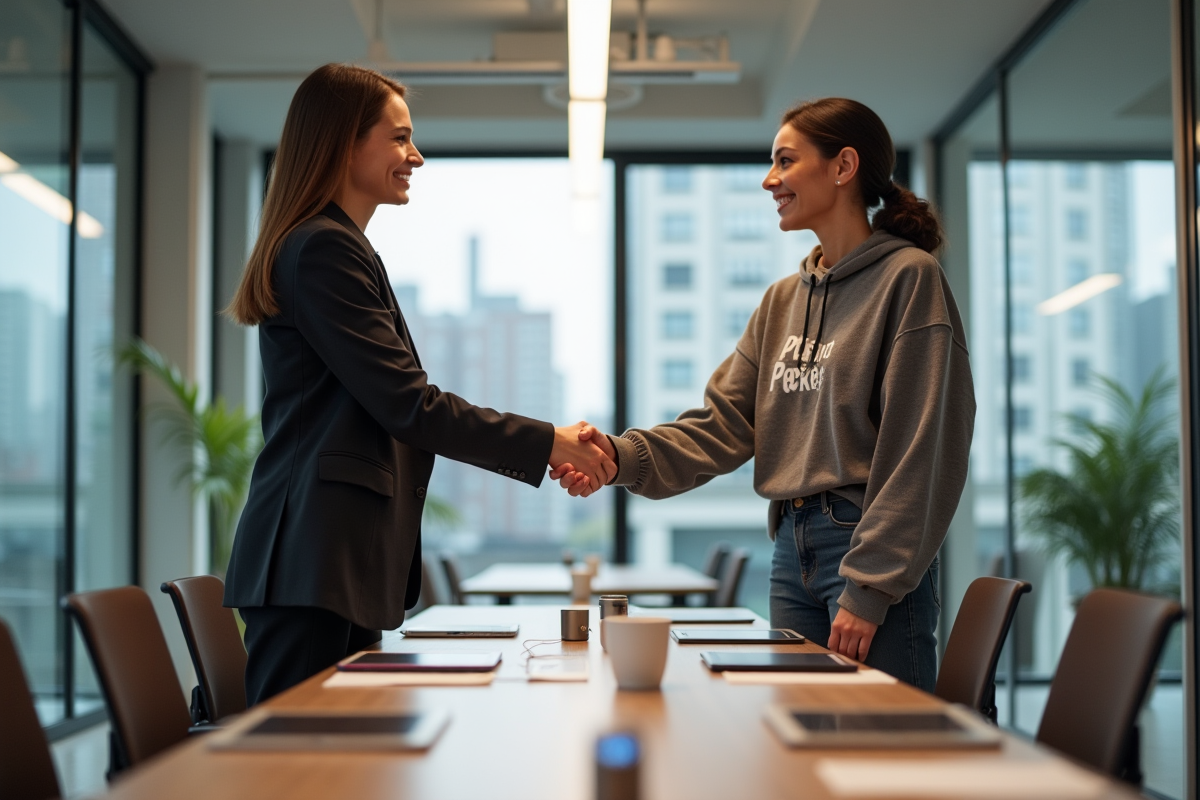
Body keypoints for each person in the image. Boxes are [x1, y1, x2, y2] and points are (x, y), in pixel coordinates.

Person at [222, 64, 615, 705]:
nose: (417, 156)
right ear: (344, 142)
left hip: (328, 561)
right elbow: (410, 405)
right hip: (313, 560)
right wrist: (549, 442)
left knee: (340, 760)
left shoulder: (339, 246)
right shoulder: (322, 249)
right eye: (400, 138)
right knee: (298, 765)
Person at [554, 98, 974, 691]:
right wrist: (618, 456)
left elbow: (923, 448)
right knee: (796, 739)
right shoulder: (783, 301)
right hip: (791, 551)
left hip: (867, 549)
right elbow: (721, 424)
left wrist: (872, 583)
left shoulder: (909, 280)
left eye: (784, 160)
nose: (768, 179)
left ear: (843, 165)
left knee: (880, 751)